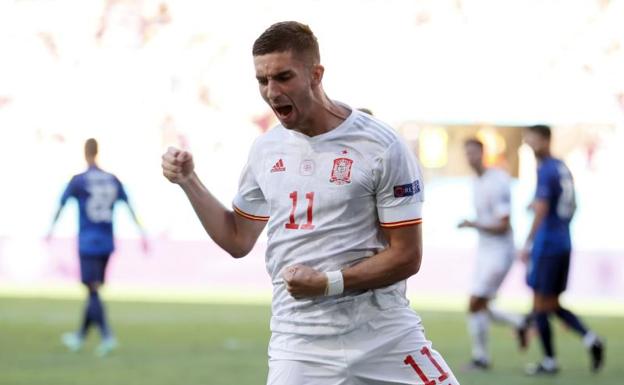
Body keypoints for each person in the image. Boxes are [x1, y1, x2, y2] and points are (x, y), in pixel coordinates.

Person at [162, 21, 459, 385]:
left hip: (384, 336)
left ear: (316, 74)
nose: (272, 92)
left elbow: (407, 255)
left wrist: (327, 283)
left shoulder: (381, 147)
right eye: (262, 80)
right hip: (300, 345)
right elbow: (237, 239)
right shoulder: (265, 149)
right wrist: (188, 181)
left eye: (283, 77)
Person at [47, 138, 147, 356]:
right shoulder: (112, 179)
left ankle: (107, 335)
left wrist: (50, 230)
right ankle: (80, 336)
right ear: (98, 152)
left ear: (85, 153)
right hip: (107, 242)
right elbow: (129, 206)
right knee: (93, 290)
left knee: (92, 290)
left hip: (88, 242)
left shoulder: (79, 181)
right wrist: (142, 234)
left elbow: (61, 205)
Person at [520, 125, 604, 375]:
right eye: (528, 141)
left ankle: (549, 361)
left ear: (545, 140)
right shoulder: (561, 166)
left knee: (540, 303)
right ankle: (591, 339)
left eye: (533, 140)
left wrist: (528, 242)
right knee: (552, 304)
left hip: (547, 245)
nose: (531, 145)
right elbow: (571, 203)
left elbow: (543, 208)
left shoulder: (546, 169)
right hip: (563, 241)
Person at [457, 138, 527, 370]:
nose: (470, 157)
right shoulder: (475, 181)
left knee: (475, 302)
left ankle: (481, 358)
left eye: (474, 152)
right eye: (467, 153)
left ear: (483, 153)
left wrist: (473, 224)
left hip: (500, 251)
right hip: (484, 250)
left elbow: (503, 225)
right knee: (478, 304)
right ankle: (519, 322)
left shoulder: (497, 181)